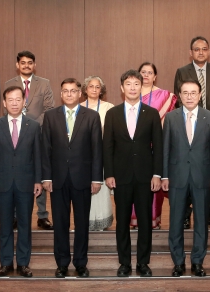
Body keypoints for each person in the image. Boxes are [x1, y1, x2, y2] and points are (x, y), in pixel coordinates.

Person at [103, 70, 163, 277]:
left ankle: (143, 263)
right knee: (122, 221)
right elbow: (107, 147)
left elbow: (159, 147)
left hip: (146, 177)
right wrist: (109, 174)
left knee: (145, 221)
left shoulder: (152, 113)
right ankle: (125, 263)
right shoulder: (112, 114)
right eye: (128, 84)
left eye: (136, 84)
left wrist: (157, 174)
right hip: (121, 177)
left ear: (142, 86)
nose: (132, 88)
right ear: (122, 88)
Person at [42, 78, 103, 278]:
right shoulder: (50, 116)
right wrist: (46, 177)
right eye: (65, 91)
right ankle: (61, 263)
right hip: (57, 179)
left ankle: (80, 263)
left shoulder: (92, 116)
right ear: (61, 94)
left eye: (73, 91)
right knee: (60, 223)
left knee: (82, 223)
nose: (69, 94)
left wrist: (96, 179)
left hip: (83, 178)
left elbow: (97, 150)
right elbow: (46, 149)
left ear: (80, 94)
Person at [161, 79, 210, 278]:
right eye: (185, 93)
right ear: (180, 95)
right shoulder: (170, 118)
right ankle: (178, 262)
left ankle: (197, 262)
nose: (189, 96)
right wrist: (165, 175)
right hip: (177, 177)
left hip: (202, 176)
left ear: (199, 95)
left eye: (193, 93)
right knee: (176, 221)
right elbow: (165, 149)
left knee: (201, 222)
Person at [0, 86, 42, 278]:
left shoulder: (33, 126)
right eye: (10, 100)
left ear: (24, 102)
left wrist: (38, 181)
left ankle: (24, 263)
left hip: (26, 183)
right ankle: (6, 263)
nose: (15, 103)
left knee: (25, 224)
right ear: (4, 103)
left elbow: (38, 157)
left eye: (18, 99)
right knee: (5, 224)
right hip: (2, 183)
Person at [174, 36, 210, 229]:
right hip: (188, 126)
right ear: (191, 52)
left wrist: (207, 117)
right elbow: (179, 98)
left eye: (204, 49)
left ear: (209, 51)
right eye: (196, 49)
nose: (200, 52)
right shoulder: (182, 72)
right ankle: (186, 214)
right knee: (189, 168)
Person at [5, 50, 55, 230]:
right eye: (23, 63)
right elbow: (7, 110)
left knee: (40, 175)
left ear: (34, 65)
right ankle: (17, 216)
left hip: (39, 135)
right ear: (17, 65)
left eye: (30, 63)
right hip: (16, 138)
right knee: (18, 174)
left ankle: (42, 216)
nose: (26, 65)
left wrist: (30, 125)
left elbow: (49, 109)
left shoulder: (44, 84)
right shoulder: (9, 84)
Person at [131, 62, 177, 229]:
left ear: (155, 76)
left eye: (150, 72)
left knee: (154, 184)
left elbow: (168, 123)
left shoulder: (165, 96)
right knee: (135, 183)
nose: (146, 75)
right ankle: (135, 221)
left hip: (156, 146)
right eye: (143, 72)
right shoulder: (132, 94)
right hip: (135, 148)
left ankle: (153, 220)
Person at [80, 76, 115, 231]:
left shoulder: (109, 107)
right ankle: (85, 221)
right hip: (83, 156)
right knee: (84, 189)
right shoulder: (78, 107)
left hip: (102, 153)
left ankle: (102, 221)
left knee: (100, 189)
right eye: (91, 86)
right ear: (85, 89)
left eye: (97, 87)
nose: (94, 89)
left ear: (102, 90)